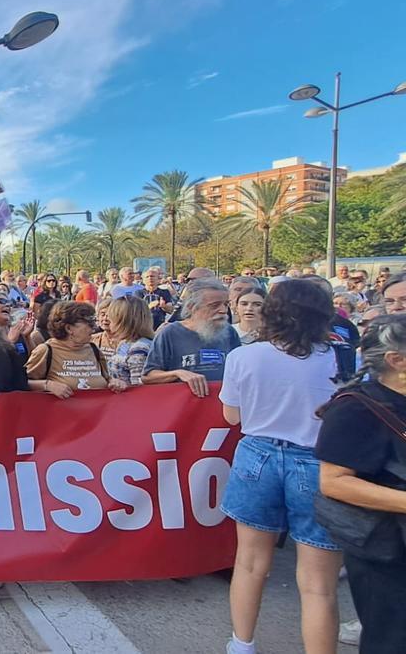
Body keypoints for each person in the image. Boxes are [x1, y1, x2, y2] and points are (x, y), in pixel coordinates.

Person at [218, 279, 342, 654]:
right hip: (320, 459)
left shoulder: (244, 357)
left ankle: (242, 643)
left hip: (258, 454)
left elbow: (231, 416)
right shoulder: (341, 358)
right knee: (318, 582)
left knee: (251, 562)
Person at [314, 314, 406, 653]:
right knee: (392, 637)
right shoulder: (355, 409)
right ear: (396, 360)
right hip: (386, 547)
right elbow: (334, 483)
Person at [142, 278, 241, 397]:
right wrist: (178, 374)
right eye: (214, 305)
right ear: (191, 307)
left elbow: (240, 371)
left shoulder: (229, 332)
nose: (223, 310)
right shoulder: (170, 333)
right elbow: (148, 376)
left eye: (226, 304)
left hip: (221, 408)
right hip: (185, 408)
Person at [26, 301, 126, 396]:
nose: (94, 328)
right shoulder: (46, 351)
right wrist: (47, 385)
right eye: (89, 323)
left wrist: (114, 382)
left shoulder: (93, 349)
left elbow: (106, 378)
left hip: (96, 412)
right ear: (69, 328)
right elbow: (22, 384)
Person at [104, 296, 154, 387]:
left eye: (111, 317)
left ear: (122, 320)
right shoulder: (125, 343)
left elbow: (138, 385)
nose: (108, 320)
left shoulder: (139, 348)